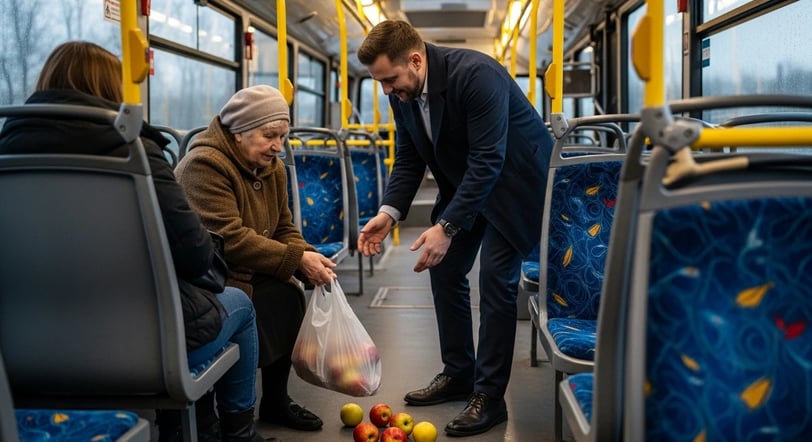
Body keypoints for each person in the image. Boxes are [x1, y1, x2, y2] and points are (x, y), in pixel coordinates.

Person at [0, 41, 273, 442]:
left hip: (21, 352)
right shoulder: (135, 155)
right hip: (138, 353)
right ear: (111, 92)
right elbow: (195, 256)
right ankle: (238, 434)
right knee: (241, 305)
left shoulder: (7, 159)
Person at [356, 20, 555, 437]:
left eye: (390, 80)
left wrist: (446, 226)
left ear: (415, 59)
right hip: (468, 182)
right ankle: (459, 372)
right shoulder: (401, 93)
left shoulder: (476, 75)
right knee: (444, 269)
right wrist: (390, 212)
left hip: (515, 183)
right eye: (380, 84)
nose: (387, 91)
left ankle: (490, 397)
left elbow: (488, 158)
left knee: (496, 280)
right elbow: (410, 158)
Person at [174, 85, 336, 432]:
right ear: (238, 132)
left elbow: (283, 227)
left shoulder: (271, 168)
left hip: (247, 268)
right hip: (209, 277)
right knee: (257, 298)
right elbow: (228, 240)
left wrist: (308, 256)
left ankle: (276, 401)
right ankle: (210, 416)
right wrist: (295, 259)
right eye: (269, 136)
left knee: (288, 294)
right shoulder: (204, 166)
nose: (278, 146)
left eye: (282, 136)